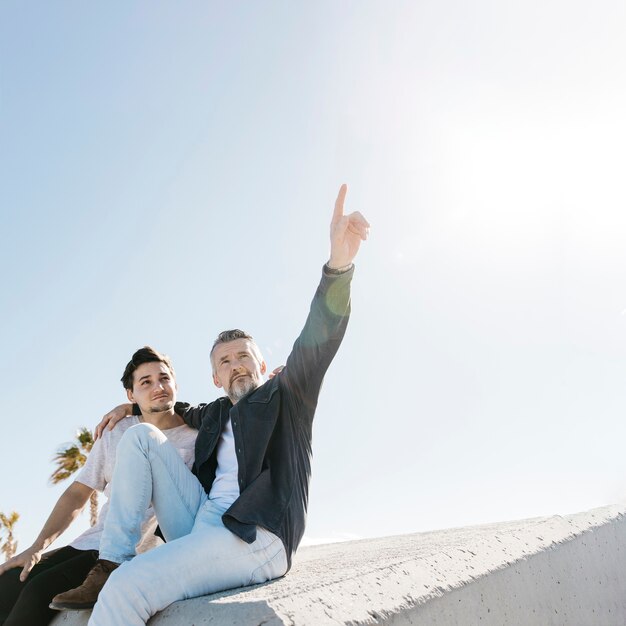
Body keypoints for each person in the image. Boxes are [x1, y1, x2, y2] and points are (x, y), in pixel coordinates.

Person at [53, 184, 369, 625]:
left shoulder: (286, 396)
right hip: (201, 524)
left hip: (253, 536)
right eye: (225, 361)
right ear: (215, 378)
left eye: (244, 357)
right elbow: (174, 408)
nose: (236, 365)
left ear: (262, 365)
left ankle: (119, 578)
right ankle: (111, 560)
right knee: (144, 436)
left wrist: (338, 265)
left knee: (129, 588)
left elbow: (320, 338)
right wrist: (131, 408)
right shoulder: (215, 413)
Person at [0, 347, 197, 626]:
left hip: (135, 549)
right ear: (131, 395)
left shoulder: (198, 435)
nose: (159, 387)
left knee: (37, 593)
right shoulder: (116, 429)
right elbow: (78, 493)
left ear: (176, 382)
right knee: (6, 584)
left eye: (164, 378)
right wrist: (36, 547)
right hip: (92, 542)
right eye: (146, 382)